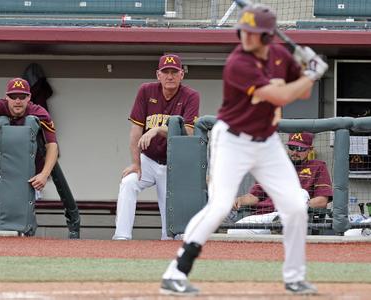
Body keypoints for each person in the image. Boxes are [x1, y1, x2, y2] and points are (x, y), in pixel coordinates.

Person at [160, 4, 328, 296]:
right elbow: (278, 94)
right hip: (233, 140)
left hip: (267, 142)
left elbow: (302, 92)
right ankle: (176, 272)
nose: (247, 39)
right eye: (245, 32)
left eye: (254, 34)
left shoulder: (279, 56)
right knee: (220, 205)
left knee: (295, 206)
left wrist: (305, 67)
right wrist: (311, 74)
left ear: (267, 36)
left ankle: (295, 277)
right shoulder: (238, 63)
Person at [112, 54, 200, 241]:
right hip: (148, 161)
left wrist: (158, 130)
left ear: (181, 75)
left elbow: (189, 132)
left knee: (169, 228)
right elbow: (136, 130)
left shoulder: (191, 96)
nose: (170, 76)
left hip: (172, 164)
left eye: (174, 72)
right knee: (128, 183)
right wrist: (135, 164)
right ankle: (121, 237)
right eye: (165, 72)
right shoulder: (146, 91)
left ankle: (166, 248)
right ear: (158, 74)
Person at [0, 77, 58, 223]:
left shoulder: (38, 112)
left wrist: (44, 174)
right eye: (13, 96)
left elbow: (52, 145)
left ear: (29, 97)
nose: (17, 100)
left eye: (22, 96)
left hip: (22, 162)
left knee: (19, 209)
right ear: (6, 96)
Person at [228, 132, 333, 234]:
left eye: (300, 149)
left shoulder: (318, 166)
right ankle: (278, 225)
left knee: (300, 193)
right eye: (292, 148)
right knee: (234, 231)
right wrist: (239, 200)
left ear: (310, 150)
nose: (295, 152)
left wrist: (301, 207)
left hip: (294, 217)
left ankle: (283, 223)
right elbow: (254, 196)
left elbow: (322, 201)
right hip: (266, 216)